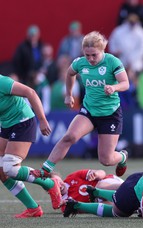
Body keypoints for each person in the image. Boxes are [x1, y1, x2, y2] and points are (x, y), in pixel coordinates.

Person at [32, 31, 130, 179]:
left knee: (106, 160)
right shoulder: (80, 62)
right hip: (89, 110)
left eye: (94, 55)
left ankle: (122, 157)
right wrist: (69, 94)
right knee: (69, 137)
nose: (90, 59)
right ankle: (45, 169)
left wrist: (114, 88)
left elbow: (125, 83)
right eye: (87, 55)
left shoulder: (112, 62)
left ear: (102, 50)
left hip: (110, 114)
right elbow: (70, 74)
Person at [0, 74, 61, 218]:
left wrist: (42, 120)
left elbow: (30, 92)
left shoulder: (2, 82)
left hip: (23, 121)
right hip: (6, 125)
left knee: (10, 168)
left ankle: (49, 184)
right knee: (1, 170)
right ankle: (33, 208)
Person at [51, 169, 124, 208]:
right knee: (100, 205)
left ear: (59, 177)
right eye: (54, 184)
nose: (59, 185)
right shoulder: (63, 204)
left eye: (58, 181)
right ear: (49, 191)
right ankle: (131, 205)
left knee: (98, 187)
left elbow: (102, 172)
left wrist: (96, 174)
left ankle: (128, 188)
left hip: (110, 183)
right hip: (102, 200)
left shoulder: (73, 177)